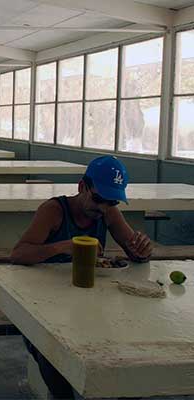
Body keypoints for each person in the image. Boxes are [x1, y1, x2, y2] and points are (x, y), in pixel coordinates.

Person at [10, 155, 153, 399]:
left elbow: (132, 248)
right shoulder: (54, 210)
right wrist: (62, 247)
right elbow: (18, 254)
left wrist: (141, 251)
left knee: (122, 342)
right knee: (49, 350)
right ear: (82, 186)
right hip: (45, 299)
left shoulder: (107, 212)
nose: (103, 208)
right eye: (98, 199)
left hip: (88, 299)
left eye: (112, 202)